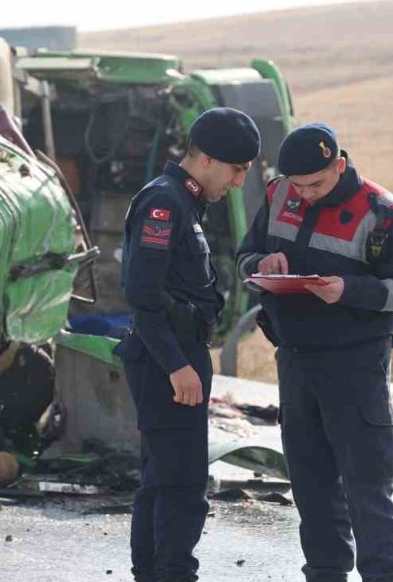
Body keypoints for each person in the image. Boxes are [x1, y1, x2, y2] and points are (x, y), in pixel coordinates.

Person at [236, 123, 393, 582]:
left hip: (355, 364)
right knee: (309, 482)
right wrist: (261, 265)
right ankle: (324, 573)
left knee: (366, 483)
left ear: (339, 165)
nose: (304, 194)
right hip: (294, 359)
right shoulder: (277, 194)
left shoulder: (383, 212)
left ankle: (385, 574)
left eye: (317, 184)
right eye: (297, 185)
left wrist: (351, 290)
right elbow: (246, 256)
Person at [115, 107, 260, 582]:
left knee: (163, 480)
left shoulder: (185, 202)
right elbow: (143, 295)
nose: (239, 182)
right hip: (166, 360)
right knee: (183, 485)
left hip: (174, 355)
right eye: (238, 170)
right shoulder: (165, 203)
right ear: (210, 160)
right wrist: (177, 365)